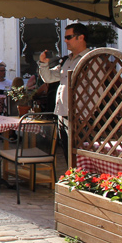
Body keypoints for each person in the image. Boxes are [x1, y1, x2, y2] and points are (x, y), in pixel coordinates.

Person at [38, 23, 90, 156]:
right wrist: (44, 63)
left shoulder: (91, 59)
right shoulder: (67, 60)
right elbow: (49, 78)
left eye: (69, 37)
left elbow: (96, 92)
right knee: (68, 154)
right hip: (63, 114)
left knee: (81, 156)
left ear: (81, 37)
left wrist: (85, 116)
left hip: (80, 118)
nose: (65, 40)